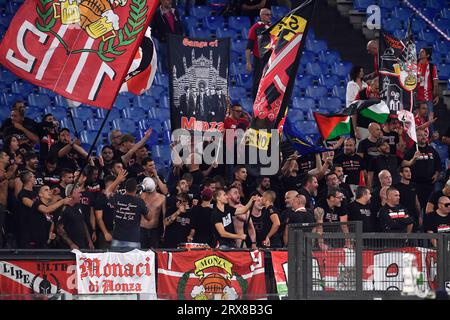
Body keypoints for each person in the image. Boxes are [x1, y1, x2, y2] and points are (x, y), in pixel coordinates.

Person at [402, 129, 441, 212]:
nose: (423, 137)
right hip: (416, 185)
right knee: (417, 208)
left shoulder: (432, 150)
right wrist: (413, 159)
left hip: (430, 184)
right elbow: (403, 163)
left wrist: (437, 174)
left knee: (430, 208)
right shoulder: (411, 150)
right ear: (415, 138)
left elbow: (438, 164)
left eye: (424, 135)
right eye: (420, 135)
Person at [107, 178, 151, 250]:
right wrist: (145, 202)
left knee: (116, 261)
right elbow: (149, 217)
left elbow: (108, 191)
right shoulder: (140, 202)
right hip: (133, 240)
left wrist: (118, 179)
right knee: (131, 261)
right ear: (135, 189)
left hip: (117, 239)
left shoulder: (118, 198)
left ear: (125, 188)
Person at [57, 185, 94, 250]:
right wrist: (71, 243)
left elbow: (83, 222)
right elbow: (60, 229)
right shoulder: (63, 209)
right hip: (69, 248)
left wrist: (89, 241)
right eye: (79, 193)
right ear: (71, 194)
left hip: (82, 244)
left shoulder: (78, 206)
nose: (81, 195)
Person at [246, 8, 272, 100]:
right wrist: (248, 62)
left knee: (268, 81)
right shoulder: (255, 27)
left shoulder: (272, 27)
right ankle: (255, 101)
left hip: (270, 59)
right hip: (259, 59)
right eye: (267, 14)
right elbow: (249, 47)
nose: (269, 16)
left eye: (270, 15)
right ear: (261, 16)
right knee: (257, 81)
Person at [140, 177, 166, 249]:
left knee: (154, 253)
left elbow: (164, 216)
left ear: (156, 185)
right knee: (141, 253)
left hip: (154, 230)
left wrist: (164, 231)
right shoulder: (141, 195)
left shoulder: (162, 198)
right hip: (141, 229)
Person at [395, 166, 422, 232]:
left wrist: (420, 216)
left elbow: (417, 202)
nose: (409, 173)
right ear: (401, 174)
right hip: (402, 217)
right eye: (406, 171)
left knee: (415, 239)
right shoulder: (396, 187)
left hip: (414, 216)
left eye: (410, 171)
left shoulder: (414, 185)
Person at [417, 47, 440, 124]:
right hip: (415, 97)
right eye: (420, 51)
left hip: (427, 97)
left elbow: (435, 82)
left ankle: (430, 135)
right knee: (415, 119)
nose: (420, 53)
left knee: (429, 121)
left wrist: (436, 95)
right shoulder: (414, 65)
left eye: (422, 52)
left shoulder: (432, 67)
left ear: (428, 55)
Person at [94, 175, 116, 249]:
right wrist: (105, 233)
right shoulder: (101, 198)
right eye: (116, 183)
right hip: (106, 231)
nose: (118, 186)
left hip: (118, 232)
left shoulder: (117, 196)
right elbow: (99, 218)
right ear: (110, 184)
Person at [16, 171, 37, 248]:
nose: (35, 178)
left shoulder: (36, 192)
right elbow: (33, 205)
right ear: (29, 179)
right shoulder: (22, 194)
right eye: (33, 176)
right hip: (26, 228)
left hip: (36, 226)